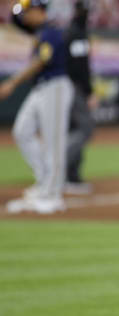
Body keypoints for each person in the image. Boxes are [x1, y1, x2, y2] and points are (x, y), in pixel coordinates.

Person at [0, 0, 73, 214]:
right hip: (40, 88)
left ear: (38, 10)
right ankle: (44, 182)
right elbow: (16, 20)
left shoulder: (51, 30)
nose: (24, 16)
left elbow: (41, 60)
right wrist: (18, 10)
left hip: (55, 87)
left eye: (27, 11)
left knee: (53, 142)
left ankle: (52, 195)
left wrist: (12, 82)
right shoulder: (40, 31)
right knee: (22, 131)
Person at [64, 0, 98, 195]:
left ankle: (72, 176)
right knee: (85, 128)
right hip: (74, 87)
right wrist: (88, 91)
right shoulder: (77, 34)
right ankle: (60, 168)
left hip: (67, 87)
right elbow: (79, 67)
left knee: (73, 129)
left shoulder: (72, 31)